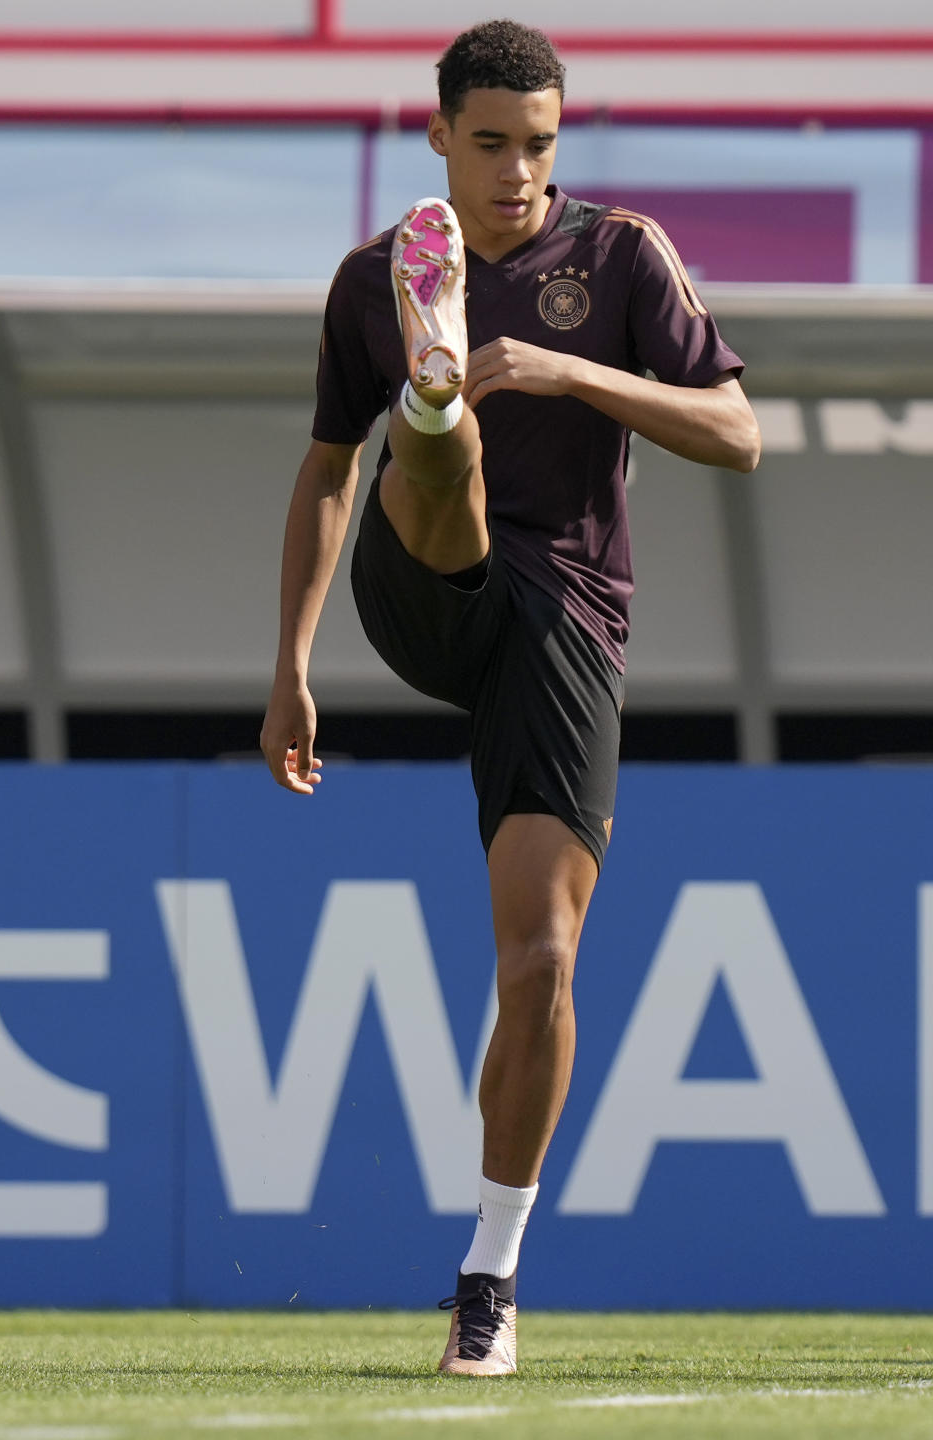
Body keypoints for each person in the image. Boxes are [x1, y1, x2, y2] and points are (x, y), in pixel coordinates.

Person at [261, 18, 761, 1376]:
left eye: (539, 145)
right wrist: (292, 665)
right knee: (446, 456)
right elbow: (321, 475)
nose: (519, 171)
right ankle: (434, 397)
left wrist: (567, 369)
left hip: (565, 627)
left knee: (540, 962)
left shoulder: (620, 257)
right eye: (490, 145)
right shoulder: (372, 278)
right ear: (439, 140)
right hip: (424, 581)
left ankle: (488, 1276)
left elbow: (738, 430)